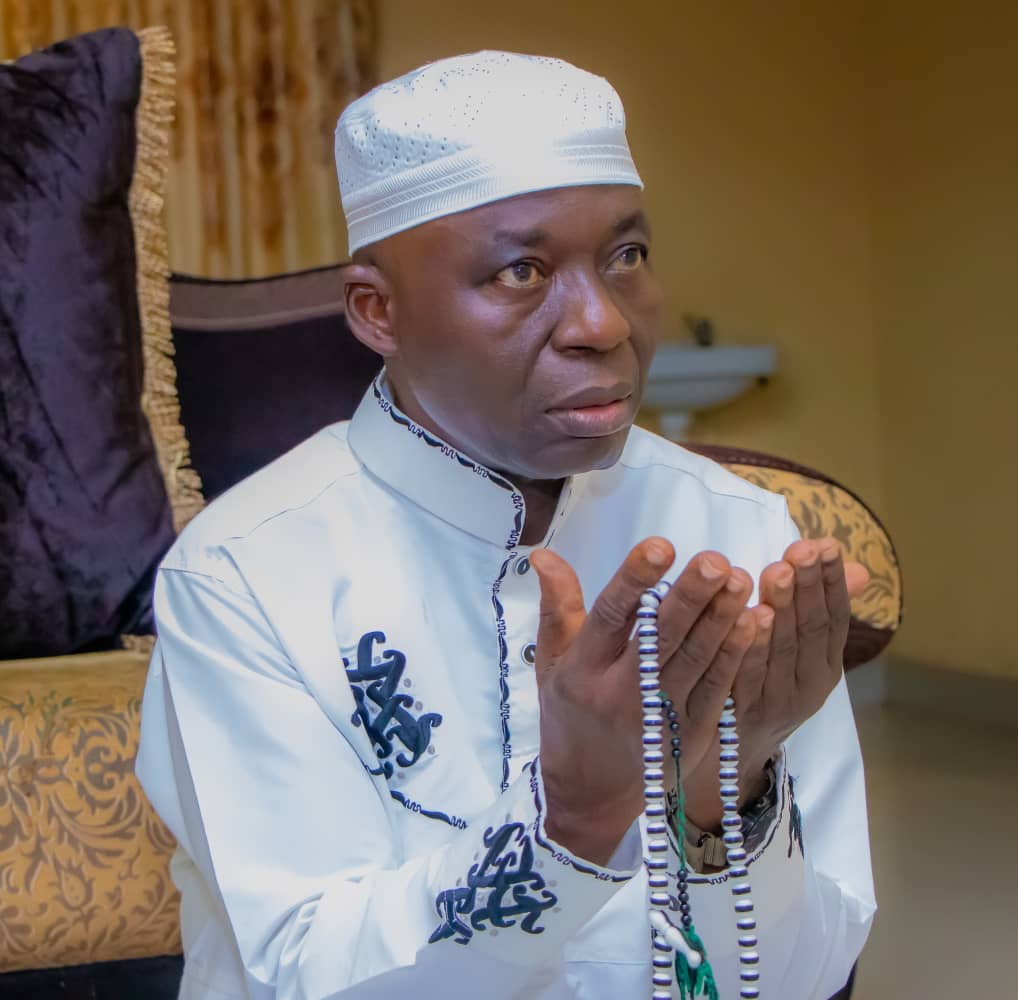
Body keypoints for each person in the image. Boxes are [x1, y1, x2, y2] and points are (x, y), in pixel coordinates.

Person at [136, 50, 875, 1000]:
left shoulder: (732, 532)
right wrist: (571, 822)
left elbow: (807, 979)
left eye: (626, 257)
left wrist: (727, 794)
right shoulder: (247, 573)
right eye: (522, 271)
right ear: (377, 310)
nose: (602, 324)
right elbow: (300, 971)